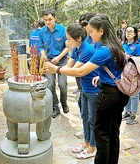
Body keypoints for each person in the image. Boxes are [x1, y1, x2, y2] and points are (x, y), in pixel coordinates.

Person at [45, 14, 129, 164]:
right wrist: (102, 77)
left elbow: (80, 71)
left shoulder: (104, 50)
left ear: (101, 31)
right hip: (117, 91)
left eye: (91, 31)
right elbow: (114, 68)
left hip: (110, 95)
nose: (89, 34)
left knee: (101, 133)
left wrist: (56, 70)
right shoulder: (114, 44)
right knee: (112, 133)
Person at [58, 23, 99, 159]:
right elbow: (69, 65)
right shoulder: (76, 48)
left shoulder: (87, 50)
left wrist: (56, 69)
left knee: (92, 119)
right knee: (84, 116)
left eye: (69, 39)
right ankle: (86, 143)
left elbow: (75, 71)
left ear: (79, 38)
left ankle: (93, 147)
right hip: (84, 88)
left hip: (94, 90)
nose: (67, 41)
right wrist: (69, 49)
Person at [37, 8, 69, 118]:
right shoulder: (42, 32)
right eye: (45, 20)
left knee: (62, 85)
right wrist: (42, 54)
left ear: (55, 18)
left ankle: (64, 103)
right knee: (50, 85)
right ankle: (55, 107)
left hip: (62, 60)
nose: (48, 22)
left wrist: (59, 57)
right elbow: (40, 46)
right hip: (49, 60)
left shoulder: (63, 30)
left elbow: (68, 46)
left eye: (50, 19)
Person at [121, 25, 140, 125]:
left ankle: (133, 114)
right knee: (126, 91)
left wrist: (128, 57)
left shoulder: (138, 46)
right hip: (124, 72)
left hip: (134, 72)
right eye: (127, 32)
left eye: (130, 32)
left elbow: (139, 59)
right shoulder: (123, 45)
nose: (128, 33)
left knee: (134, 94)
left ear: (135, 34)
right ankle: (127, 111)